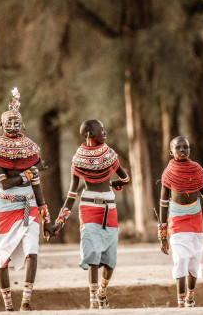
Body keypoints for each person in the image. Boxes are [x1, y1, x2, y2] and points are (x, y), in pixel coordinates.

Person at [0, 88, 53, 311]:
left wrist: (46, 218)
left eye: (16, 123)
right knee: (1, 256)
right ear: (0, 126)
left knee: (32, 251)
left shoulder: (29, 149)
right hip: (5, 208)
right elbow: (3, 183)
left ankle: (26, 302)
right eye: (8, 123)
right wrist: (32, 170)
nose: (12, 126)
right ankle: (8, 306)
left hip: (29, 206)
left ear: (22, 125)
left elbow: (35, 185)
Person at [53, 119, 130, 309]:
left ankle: (102, 292)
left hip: (109, 208)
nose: (104, 132)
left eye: (104, 129)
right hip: (88, 208)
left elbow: (125, 178)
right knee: (93, 255)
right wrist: (60, 220)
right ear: (89, 135)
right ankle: (93, 302)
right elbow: (72, 192)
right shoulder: (78, 158)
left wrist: (110, 185)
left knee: (110, 262)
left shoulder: (109, 154)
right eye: (100, 130)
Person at [158, 136, 203, 307]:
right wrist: (163, 235)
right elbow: (163, 204)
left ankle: (190, 297)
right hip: (176, 220)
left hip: (195, 219)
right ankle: (180, 302)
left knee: (194, 260)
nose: (182, 150)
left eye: (186, 147)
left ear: (190, 150)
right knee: (181, 258)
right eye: (178, 148)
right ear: (171, 151)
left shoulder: (197, 170)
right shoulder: (168, 173)